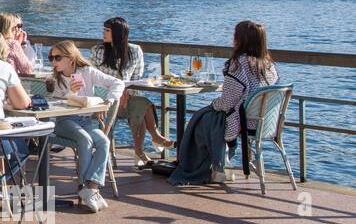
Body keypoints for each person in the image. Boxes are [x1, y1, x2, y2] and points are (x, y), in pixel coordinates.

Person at [170, 21, 279, 186]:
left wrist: (213, 104)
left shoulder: (239, 64)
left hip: (243, 121)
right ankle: (221, 163)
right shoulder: (269, 66)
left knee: (201, 119)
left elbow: (227, 102)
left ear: (241, 39)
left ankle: (215, 166)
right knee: (209, 117)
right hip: (266, 121)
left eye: (234, 35)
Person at [44, 40, 124, 213]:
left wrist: (109, 100)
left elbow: (118, 83)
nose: (53, 62)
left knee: (103, 141)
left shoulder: (87, 72)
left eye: (57, 57)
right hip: (64, 121)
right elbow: (53, 103)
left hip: (86, 121)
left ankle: (92, 187)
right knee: (85, 139)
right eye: (51, 57)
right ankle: (82, 188)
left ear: (71, 58)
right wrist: (71, 93)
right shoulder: (54, 78)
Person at [92, 16, 172, 166]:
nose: (103, 33)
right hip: (104, 99)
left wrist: (125, 92)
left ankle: (146, 145)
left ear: (117, 33)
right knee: (142, 106)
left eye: (107, 30)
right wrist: (116, 91)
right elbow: (95, 80)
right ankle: (149, 144)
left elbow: (136, 78)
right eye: (104, 30)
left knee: (143, 104)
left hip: (126, 97)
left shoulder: (135, 51)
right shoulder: (98, 51)